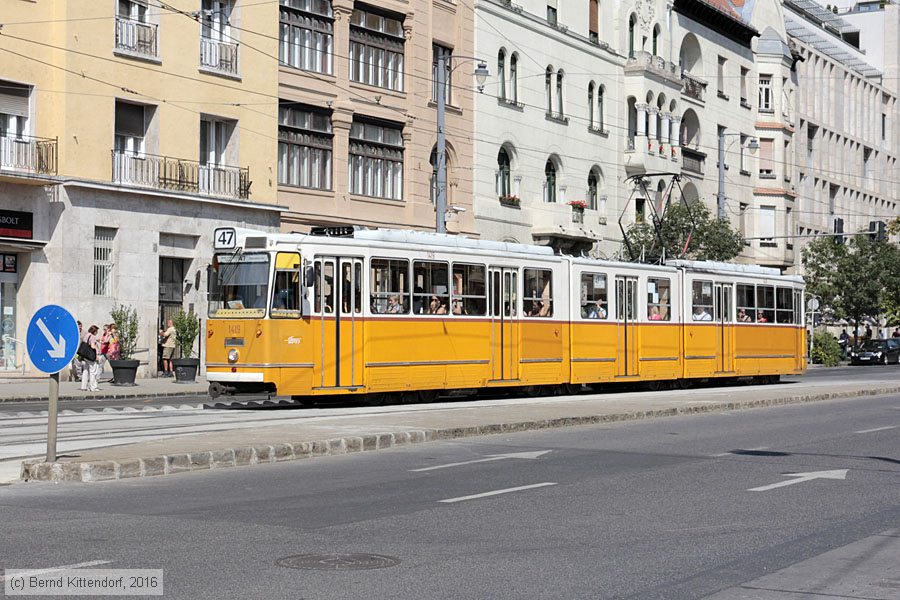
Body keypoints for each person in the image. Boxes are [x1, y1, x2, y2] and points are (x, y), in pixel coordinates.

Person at [79, 325, 101, 392]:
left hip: (85, 356)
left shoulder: (87, 335)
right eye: (96, 331)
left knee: (85, 371)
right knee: (93, 371)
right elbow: (92, 346)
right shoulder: (93, 337)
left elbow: (87, 341)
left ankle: (84, 386)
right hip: (90, 356)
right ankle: (93, 387)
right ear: (94, 331)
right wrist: (97, 352)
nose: (97, 332)